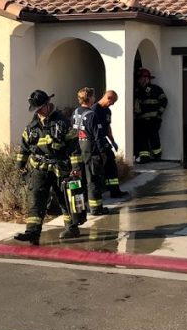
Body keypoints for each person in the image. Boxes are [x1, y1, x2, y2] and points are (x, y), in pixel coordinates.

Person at [13, 89, 83, 245]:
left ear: (47, 104)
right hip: (39, 169)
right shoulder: (32, 126)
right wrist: (20, 166)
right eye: (36, 110)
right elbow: (24, 148)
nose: (38, 113)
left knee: (64, 199)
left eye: (40, 109)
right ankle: (32, 233)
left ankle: (72, 227)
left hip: (60, 167)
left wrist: (76, 167)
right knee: (36, 200)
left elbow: (73, 147)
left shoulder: (63, 122)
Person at [71, 87, 111, 217]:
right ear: (90, 99)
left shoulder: (75, 113)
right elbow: (98, 136)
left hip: (78, 150)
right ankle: (96, 208)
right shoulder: (92, 115)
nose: (94, 99)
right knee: (92, 180)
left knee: (79, 182)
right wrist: (103, 152)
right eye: (93, 97)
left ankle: (81, 208)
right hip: (91, 152)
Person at [93, 89, 127, 199]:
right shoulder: (94, 110)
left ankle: (114, 191)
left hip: (104, 141)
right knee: (97, 168)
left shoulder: (107, 111)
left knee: (111, 165)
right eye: (112, 102)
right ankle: (96, 193)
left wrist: (112, 141)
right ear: (108, 98)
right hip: (96, 142)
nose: (112, 105)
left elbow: (107, 127)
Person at [133, 68, 167, 163]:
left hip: (153, 120)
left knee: (154, 138)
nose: (140, 80)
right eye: (139, 78)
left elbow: (164, 101)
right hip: (141, 120)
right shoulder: (137, 91)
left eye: (142, 78)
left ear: (147, 79)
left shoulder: (156, 89)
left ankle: (157, 156)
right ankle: (144, 158)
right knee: (142, 139)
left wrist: (159, 114)